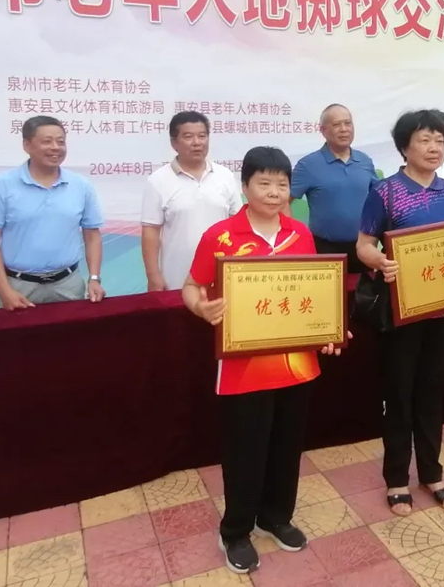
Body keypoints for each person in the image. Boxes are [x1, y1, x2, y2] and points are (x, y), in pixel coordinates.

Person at [183, 146, 347, 575]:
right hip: (243, 368)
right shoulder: (220, 236)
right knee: (245, 451)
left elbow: (312, 293)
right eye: (264, 183)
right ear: (245, 187)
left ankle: (275, 516)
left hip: (297, 364)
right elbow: (191, 286)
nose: (274, 192)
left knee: (286, 446)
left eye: (282, 184)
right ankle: (235, 531)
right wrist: (201, 308)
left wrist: (331, 329)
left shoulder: (300, 234)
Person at [356, 110, 444, 518]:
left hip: (443, 312)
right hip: (401, 313)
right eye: (424, 140)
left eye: (439, 140)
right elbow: (363, 245)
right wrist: (381, 262)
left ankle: (432, 474)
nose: (434, 148)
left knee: (433, 393)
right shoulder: (385, 192)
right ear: (404, 147)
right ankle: (397, 479)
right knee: (399, 395)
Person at [0, 115, 105, 310]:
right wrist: (4, 289)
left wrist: (94, 278)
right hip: (18, 286)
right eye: (47, 141)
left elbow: (92, 235)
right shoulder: (1, 184)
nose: (55, 147)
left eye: (60, 142)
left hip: (68, 284)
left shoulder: (80, 185)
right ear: (27, 145)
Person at [141, 111, 242, 291]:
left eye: (202, 136)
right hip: (177, 279)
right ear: (174, 143)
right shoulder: (158, 180)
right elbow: (151, 231)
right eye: (188, 137)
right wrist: (153, 275)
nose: (197, 142)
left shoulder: (225, 176)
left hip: (222, 276)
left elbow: (238, 222)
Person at [291, 104, 377, 273]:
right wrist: (293, 236)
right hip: (324, 248)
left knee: (363, 289)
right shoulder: (308, 165)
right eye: (337, 124)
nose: (344, 129)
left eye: (348, 123)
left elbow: (379, 196)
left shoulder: (364, 160)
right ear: (323, 130)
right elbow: (283, 201)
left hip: (363, 246)